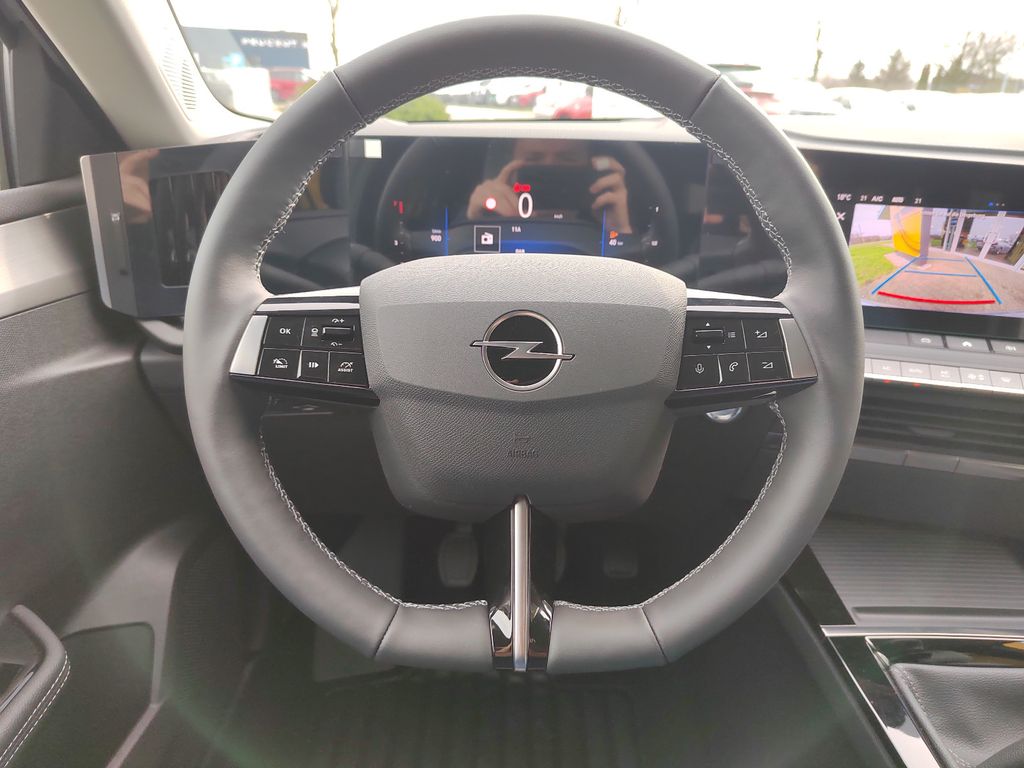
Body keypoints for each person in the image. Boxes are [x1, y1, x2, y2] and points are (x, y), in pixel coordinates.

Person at [466, 138, 632, 233]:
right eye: (533, 160)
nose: (549, 171)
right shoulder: (494, 214)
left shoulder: (603, 217)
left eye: (567, 160)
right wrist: (475, 222)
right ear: (510, 166)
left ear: (591, 168)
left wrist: (618, 230)